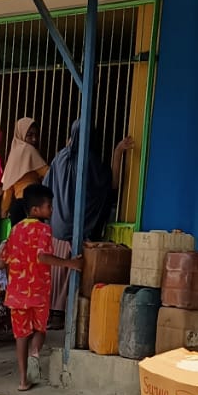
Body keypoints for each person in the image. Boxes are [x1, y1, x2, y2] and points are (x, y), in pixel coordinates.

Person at [0, 184, 84, 390]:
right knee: (40, 330)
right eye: (49, 206)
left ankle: (22, 381)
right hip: (38, 291)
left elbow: (4, 260)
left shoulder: (16, 229)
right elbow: (43, 256)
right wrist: (70, 263)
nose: (52, 209)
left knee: (20, 335)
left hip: (16, 294)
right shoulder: (44, 230)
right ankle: (35, 354)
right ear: (36, 210)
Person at [46, 121, 114, 317]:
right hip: (78, 228)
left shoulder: (60, 157)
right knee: (71, 272)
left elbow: (47, 185)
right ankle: (63, 314)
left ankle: (52, 312)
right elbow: (105, 187)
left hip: (57, 226)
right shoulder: (90, 161)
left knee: (55, 271)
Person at [0, 116, 48, 217]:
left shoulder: (13, 154)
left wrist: (3, 213)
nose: (34, 139)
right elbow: (48, 173)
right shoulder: (29, 150)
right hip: (33, 204)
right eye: (29, 135)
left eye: (36, 135)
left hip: (18, 206)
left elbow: (8, 190)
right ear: (21, 134)